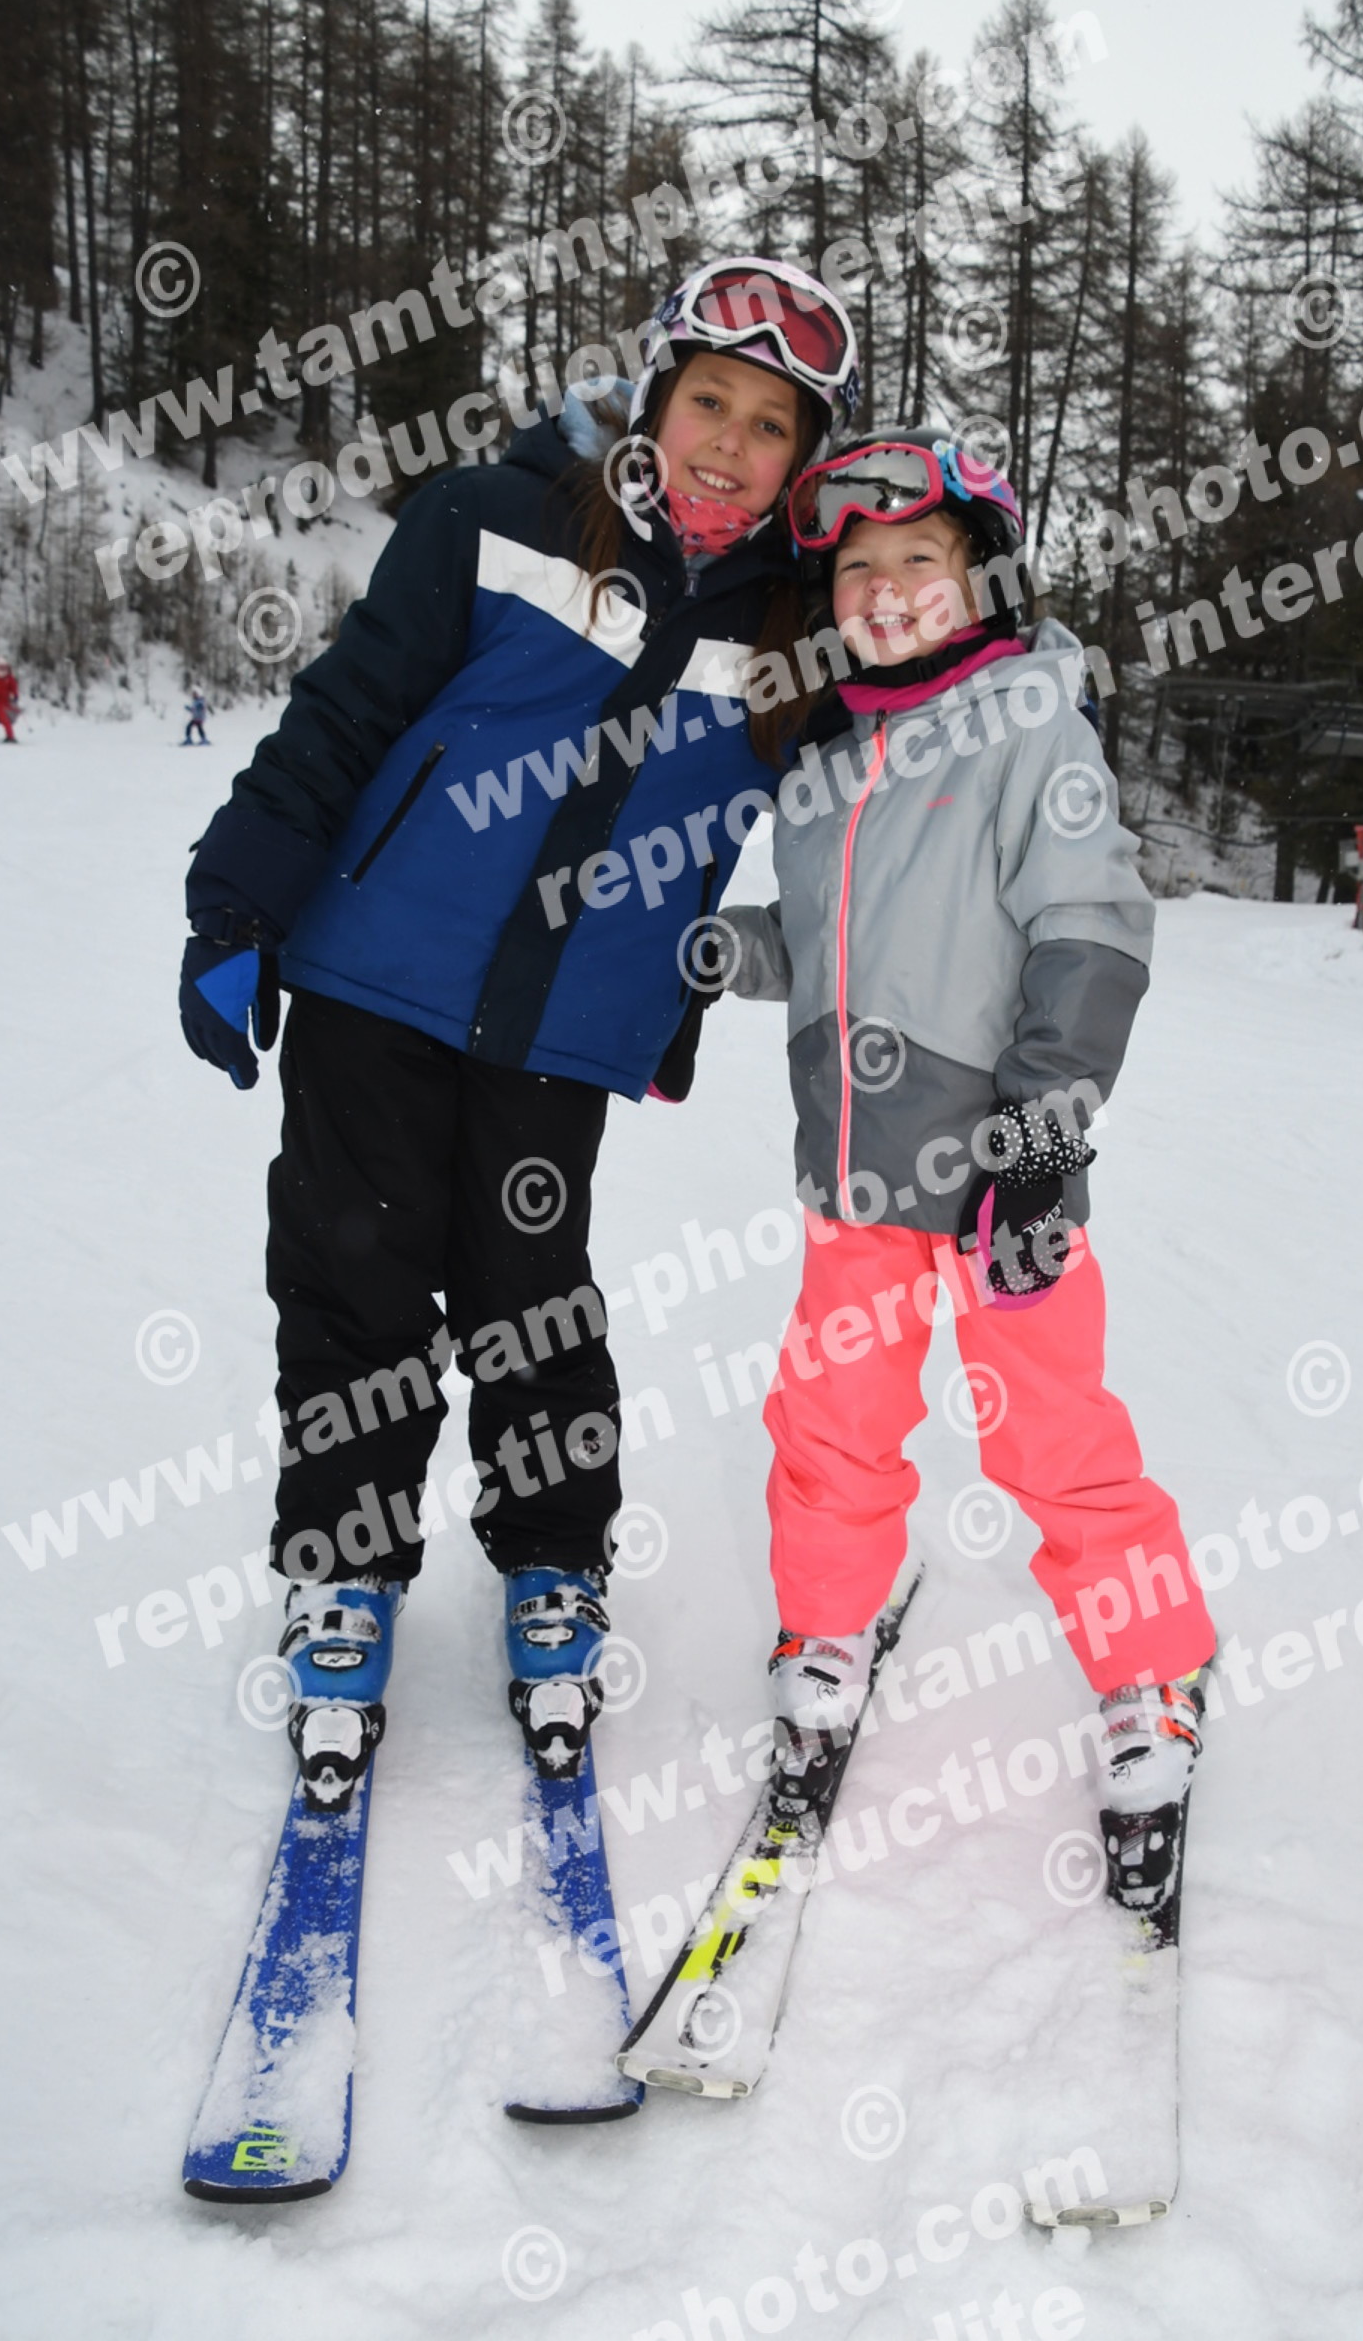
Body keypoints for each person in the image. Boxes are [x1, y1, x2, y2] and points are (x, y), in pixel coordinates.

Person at [177, 258, 860, 1810]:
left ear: (802, 461)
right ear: (656, 396)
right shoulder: (496, 516)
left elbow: (922, 709)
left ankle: (555, 1560)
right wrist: (237, 903)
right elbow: (346, 711)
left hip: (572, 1019)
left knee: (529, 1294)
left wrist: (1007, 639)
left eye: (771, 425)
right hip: (375, 975)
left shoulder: (792, 628)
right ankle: (345, 1572)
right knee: (354, 1278)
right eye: (710, 401)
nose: (729, 443)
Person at [721, 430, 1217, 1915]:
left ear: (983, 576)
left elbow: (1089, 926)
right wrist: (723, 951)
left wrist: (1045, 1144)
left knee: (1052, 1436)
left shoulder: (1028, 725)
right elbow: (832, 944)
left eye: (917, 560)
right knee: (831, 1422)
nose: (882, 588)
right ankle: (825, 1633)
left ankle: (1151, 1667)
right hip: (855, 1179)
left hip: (1006, 1176)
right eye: (857, 568)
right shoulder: (825, 761)